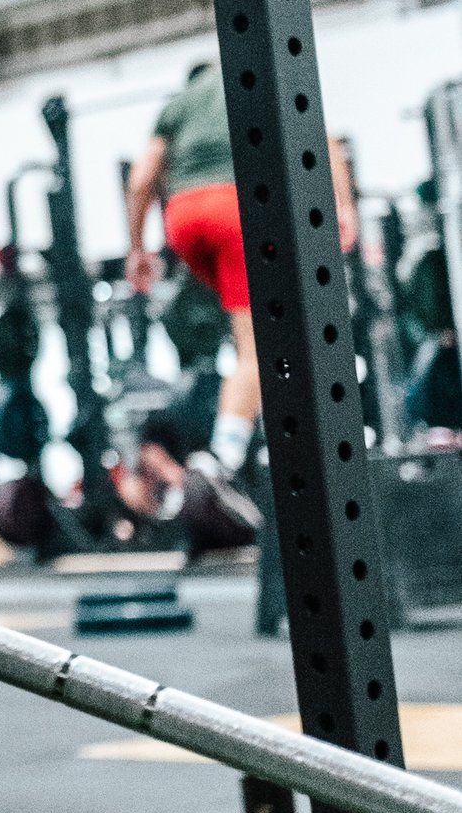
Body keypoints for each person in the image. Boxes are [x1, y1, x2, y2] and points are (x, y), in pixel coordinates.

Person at [123, 58, 354, 514]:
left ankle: (264, 428)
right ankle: (224, 460)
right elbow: (323, 143)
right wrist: (343, 207)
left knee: (260, 331)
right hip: (237, 207)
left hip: (184, 218)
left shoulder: (179, 105)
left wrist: (137, 248)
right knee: (264, 346)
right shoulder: (256, 79)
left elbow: (142, 178)